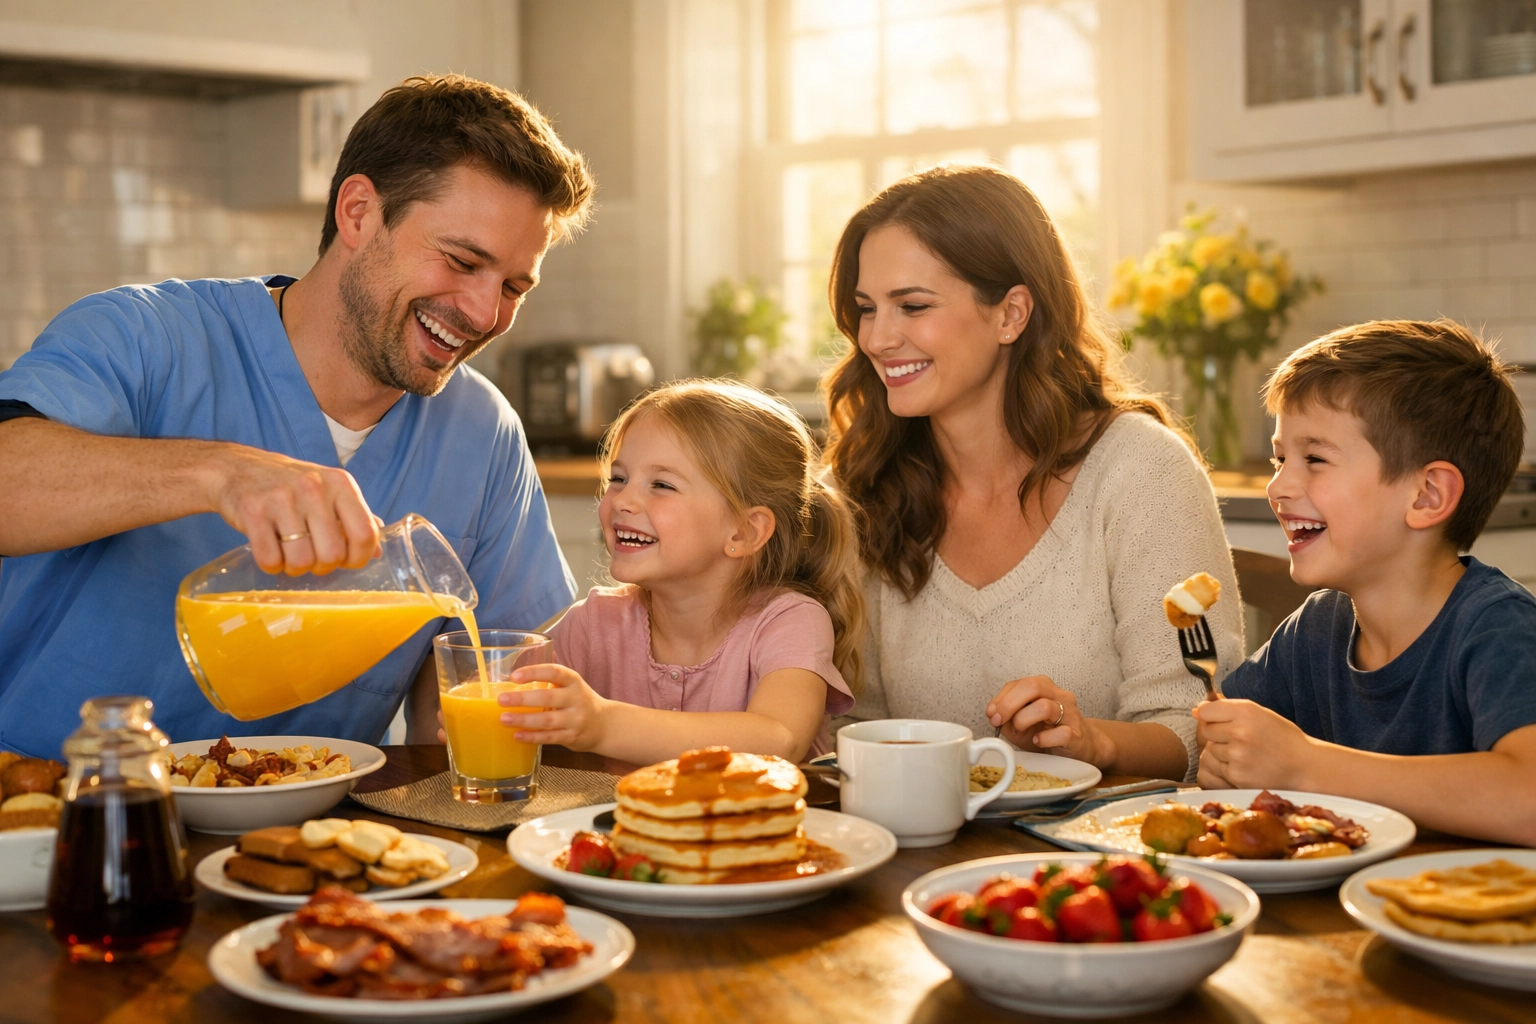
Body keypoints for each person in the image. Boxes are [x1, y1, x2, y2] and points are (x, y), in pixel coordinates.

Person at [0, 74, 593, 756]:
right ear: (359, 212)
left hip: (309, 845)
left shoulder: (481, 434)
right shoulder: (143, 337)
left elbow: (483, 679)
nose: (486, 313)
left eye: (515, 286)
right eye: (462, 260)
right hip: (54, 821)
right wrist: (219, 473)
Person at [824, 165, 1243, 782]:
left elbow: (1201, 729)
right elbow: (847, 727)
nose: (878, 339)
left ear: (1011, 314)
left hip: (1109, 860)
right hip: (918, 856)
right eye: (866, 309)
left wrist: (1093, 742)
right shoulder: (860, 488)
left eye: (912, 306)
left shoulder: (1141, 471)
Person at [1196, 320, 1536, 845]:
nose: (1278, 485)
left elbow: (1527, 798)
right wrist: (1225, 759)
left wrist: (1307, 766)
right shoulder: (1315, 630)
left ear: (1426, 496)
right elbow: (1229, 747)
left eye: (1315, 459)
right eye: (1279, 457)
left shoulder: (1496, 628)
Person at [455, 379, 864, 763]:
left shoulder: (790, 621)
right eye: (618, 478)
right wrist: (497, 714)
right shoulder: (595, 623)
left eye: (662, 485)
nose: (622, 500)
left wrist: (603, 724)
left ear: (744, 530)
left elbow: (780, 738)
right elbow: (491, 690)